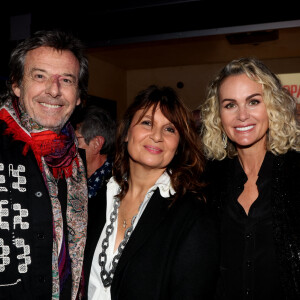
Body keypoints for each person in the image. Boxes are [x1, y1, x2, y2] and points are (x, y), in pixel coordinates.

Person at [83, 85, 219, 299]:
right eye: (147, 123)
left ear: (179, 145)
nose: (157, 136)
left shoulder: (192, 216)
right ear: (127, 132)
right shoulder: (99, 199)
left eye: (170, 129)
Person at [200, 57, 300, 300]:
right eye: (230, 105)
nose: (242, 115)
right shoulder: (206, 180)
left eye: (253, 101)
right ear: (218, 115)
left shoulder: (296, 172)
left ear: (272, 106)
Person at [0, 30, 89, 300]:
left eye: (66, 80)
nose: (54, 89)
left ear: (78, 97)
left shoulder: (75, 160)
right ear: (16, 84)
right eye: (40, 76)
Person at [74, 105, 116, 198]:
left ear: (96, 144)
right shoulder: (75, 179)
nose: (70, 146)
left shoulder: (117, 186)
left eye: (76, 140)